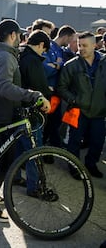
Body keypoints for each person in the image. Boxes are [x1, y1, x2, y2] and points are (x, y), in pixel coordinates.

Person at [0, 19, 51, 222]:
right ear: (12, 35)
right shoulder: (4, 56)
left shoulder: (0, 54)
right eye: (19, 35)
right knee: (2, 161)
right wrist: (33, 95)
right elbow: (4, 87)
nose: (21, 39)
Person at [57, 31, 106, 179]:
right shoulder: (71, 65)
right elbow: (61, 87)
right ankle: (74, 167)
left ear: (94, 45)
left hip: (99, 111)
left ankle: (91, 164)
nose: (81, 48)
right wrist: (74, 100)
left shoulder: (104, 63)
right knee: (75, 141)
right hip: (78, 111)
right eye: (79, 45)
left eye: (85, 45)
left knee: (97, 141)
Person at [16, 30, 53, 197]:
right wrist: (48, 94)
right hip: (31, 111)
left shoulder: (18, 53)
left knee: (17, 147)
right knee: (33, 150)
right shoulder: (33, 60)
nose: (42, 53)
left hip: (16, 108)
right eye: (43, 50)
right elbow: (39, 87)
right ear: (40, 45)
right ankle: (35, 187)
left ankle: (15, 177)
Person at [42, 25, 76, 149]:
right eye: (71, 39)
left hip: (57, 92)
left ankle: (50, 148)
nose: (72, 42)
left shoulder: (61, 50)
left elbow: (59, 67)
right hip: (49, 92)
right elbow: (46, 69)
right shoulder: (49, 47)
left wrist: (56, 65)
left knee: (54, 123)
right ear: (66, 36)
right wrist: (57, 66)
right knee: (48, 124)